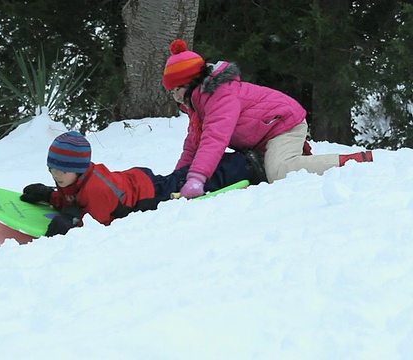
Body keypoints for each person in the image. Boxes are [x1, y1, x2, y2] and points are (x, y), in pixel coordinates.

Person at [162, 39, 373, 199]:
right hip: (263, 136)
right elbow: (193, 145)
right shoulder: (198, 106)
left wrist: (197, 179)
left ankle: (352, 162)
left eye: (175, 91)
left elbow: (214, 138)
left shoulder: (219, 95)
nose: (175, 97)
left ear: (188, 84)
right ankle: (297, 159)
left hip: (282, 125)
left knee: (278, 172)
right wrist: (178, 178)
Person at [20, 131, 264, 237]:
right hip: (135, 180)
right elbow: (70, 198)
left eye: (63, 170)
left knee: (190, 184)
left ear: (79, 169)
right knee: (181, 177)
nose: (57, 175)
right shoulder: (71, 181)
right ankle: (237, 161)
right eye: (53, 169)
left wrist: (73, 219)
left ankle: (244, 164)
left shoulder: (96, 190)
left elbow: (99, 222)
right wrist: (48, 195)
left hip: (148, 194)